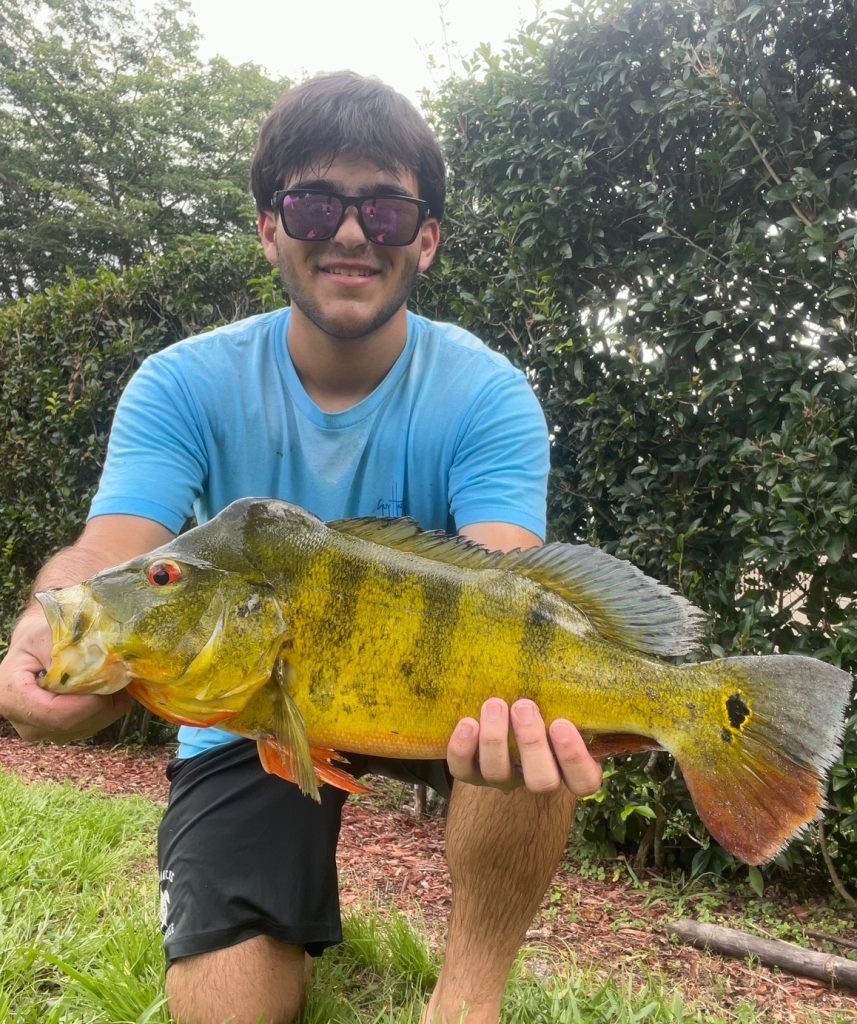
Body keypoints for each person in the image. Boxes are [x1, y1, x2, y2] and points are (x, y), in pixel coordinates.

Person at [0, 72, 603, 1024]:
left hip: (430, 703)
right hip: (252, 710)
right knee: (228, 1009)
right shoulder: (180, 383)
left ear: (428, 238)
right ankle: (275, 911)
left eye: (388, 209)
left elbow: (503, 581)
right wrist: (50, 617)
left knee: (518, 706)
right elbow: (114, 547)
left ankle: (467, 996)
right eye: (315, 203)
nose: (352, 233)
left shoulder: (488, 394)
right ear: (271, 228)